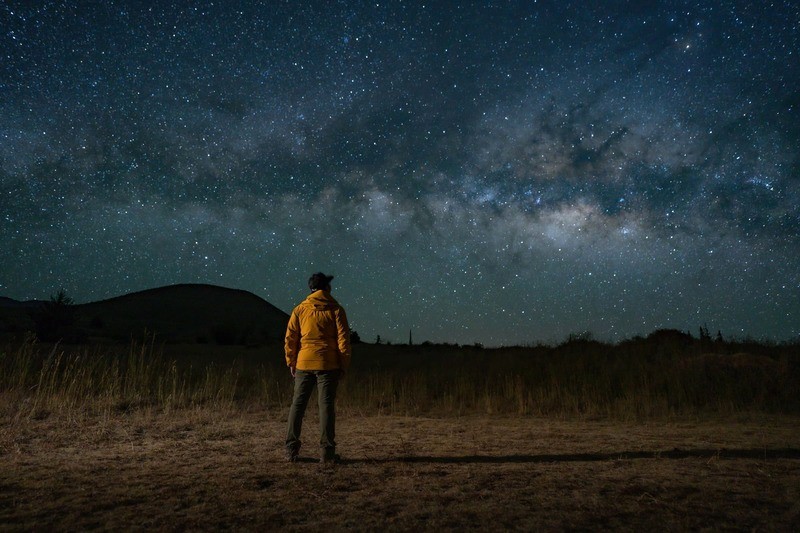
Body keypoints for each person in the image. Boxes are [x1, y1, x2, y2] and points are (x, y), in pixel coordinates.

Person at [284, 272, 351, 464]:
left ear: (311, 289)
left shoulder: (299, 310)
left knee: (298, 405)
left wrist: (291, 361)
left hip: (304, 363)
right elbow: (343, 341)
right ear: (327, 288)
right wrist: (343, 364)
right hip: (328, 365)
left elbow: (290, 339)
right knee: (326, 407)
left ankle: (291, 450)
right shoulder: (336, 310)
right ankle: (327, 453)